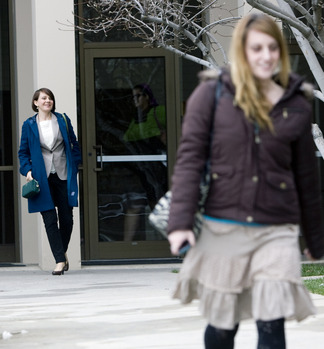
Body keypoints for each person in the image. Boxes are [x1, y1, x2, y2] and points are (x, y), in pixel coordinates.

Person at [167, 13, 324, 348]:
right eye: (257, 48)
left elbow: (306, 178)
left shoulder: (295, 104)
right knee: (223, 326)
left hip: (276, 230)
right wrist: (180, 223)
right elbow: (190, 162)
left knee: (272, 324)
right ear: (242, 51)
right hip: (223, 226)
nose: (266, 56)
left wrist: (315, 237)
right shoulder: (211, 97)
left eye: (272, 48)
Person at [18, 88, 81, 275]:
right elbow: (23, 152)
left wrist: (75, 165)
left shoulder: (62, 119)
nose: (48, 101)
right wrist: (27, 170)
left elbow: (74, 144)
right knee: (50, 220)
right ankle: (60, 260)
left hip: (63, 175)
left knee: (67, 219)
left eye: (50, 98)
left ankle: (61, 252)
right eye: (44, 98)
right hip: (41, 178)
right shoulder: (28, 125)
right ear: (35, 102)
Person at [122, 84, 167, 241]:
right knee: (140, 202)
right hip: (143, 167)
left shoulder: (159, 112)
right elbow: (127, 138)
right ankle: (127, 245)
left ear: (147, 97)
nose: (135, 99)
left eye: (138, 95)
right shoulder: (137, 117)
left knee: (160, 203)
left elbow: (176, 128)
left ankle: (169, 244)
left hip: (160, 164)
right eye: (133, 96)